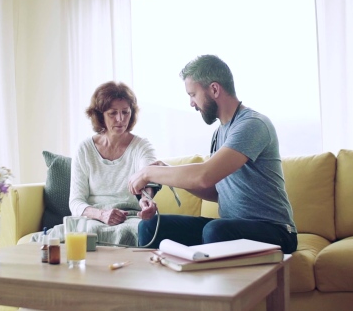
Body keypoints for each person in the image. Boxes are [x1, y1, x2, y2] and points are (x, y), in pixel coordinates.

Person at [128, 55, 298, 254]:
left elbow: (204, 175)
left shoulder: (252, 124)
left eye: (192, 94)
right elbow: (215, 190)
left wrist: (147, 173)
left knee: (216, 231)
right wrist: (166, 173)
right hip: (232, 229)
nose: (191, 103)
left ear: (214, 89)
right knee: (150, 227)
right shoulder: (220, 133)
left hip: (276, 231)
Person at [66, 81, 158, 247]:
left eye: (125, 112)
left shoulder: (142, 146)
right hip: (94, 217)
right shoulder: (85, 149)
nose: (120, 119)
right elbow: (76, 202)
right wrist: (101, 214)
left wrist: (146, 200)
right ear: (100, 115)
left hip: (130, 218)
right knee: (79, 233)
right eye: (113, 113)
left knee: (137, 230)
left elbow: (148, 178)